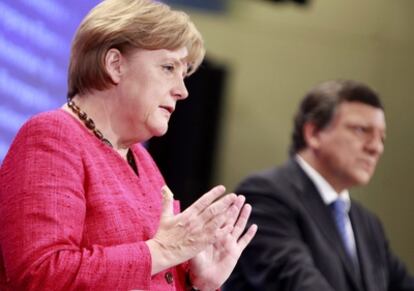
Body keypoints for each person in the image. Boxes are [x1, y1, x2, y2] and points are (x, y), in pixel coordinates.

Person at [0, 0, 258, 290]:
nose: (182, 91)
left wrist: (200, 282)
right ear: (115, 64)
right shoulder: (52, 136)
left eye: (183, 74)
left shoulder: (142, 160)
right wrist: (163, 251)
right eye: (168, 67)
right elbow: (41, 273)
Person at [224, 79, 414, 291]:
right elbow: (298, 284)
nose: (376, 147)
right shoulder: (265, 195)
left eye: (382, 138)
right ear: (313, 133)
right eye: (362, 130)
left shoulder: (368, 224)